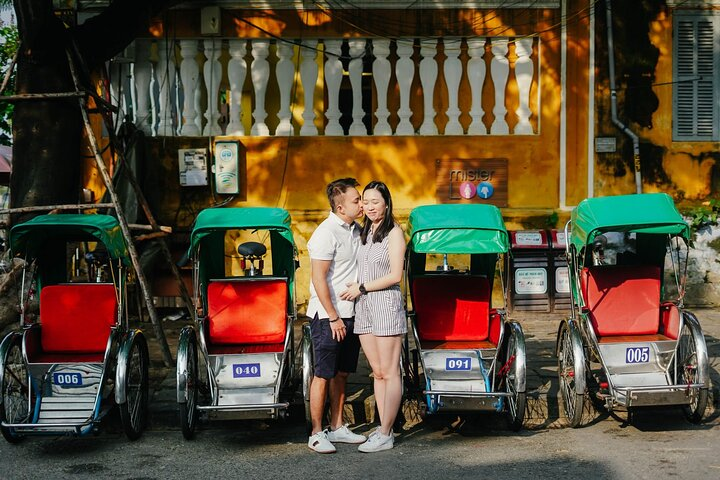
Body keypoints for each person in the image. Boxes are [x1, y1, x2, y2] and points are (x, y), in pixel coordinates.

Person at [340, 181, 406, 453]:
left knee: (390, 372)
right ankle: (381, 429)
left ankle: (386, 432)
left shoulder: (394, 233)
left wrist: (362, 288)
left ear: (386, 204)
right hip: (364, 306)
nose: (368, 206)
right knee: (377, 373)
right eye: (365, 202)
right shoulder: (364, 232)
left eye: (374, 202)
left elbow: (395, 276)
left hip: (385, 303)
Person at [306, 177, 367, 454]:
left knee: (342, 373)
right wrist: (333, 317)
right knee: (322, 373)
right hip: (328, 316)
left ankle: (338, 426)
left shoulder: (355, 229)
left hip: (351, 313)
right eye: (357, 200)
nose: (362, 203)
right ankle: (317, 433)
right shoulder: (325, 233)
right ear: (341, 208)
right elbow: (318, 279)